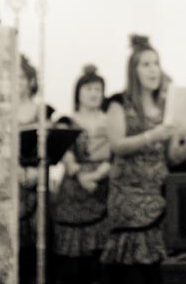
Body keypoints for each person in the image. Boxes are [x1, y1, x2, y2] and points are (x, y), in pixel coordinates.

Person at [100, 35, 186, 284]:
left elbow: (171, 158)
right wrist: (153, 134)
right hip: (127, 196)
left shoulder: (165, 107)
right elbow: (117, 145)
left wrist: (183, 144)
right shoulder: (119, 103)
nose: (153, 70)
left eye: (156, 63)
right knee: (132, 272)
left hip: (158, 196)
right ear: (134, 70)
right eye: (146, 64)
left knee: (156, 271)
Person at [54, 65, 111, 284]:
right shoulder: (66, 120)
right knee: (71, 265)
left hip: (103, 189)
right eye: (89, 88)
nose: (94, 93)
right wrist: (81, 176)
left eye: (98, 89)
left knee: (100, 263)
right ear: (78, 91)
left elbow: (114, 155)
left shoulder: (110, 121)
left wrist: (96, 176)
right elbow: (65, 154)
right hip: (72, 195)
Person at [16, 54, 55, 284]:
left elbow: (50, 149)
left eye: (23, 77)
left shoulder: (43, 111)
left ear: (31, 80)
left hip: (36, 183)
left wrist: (36, 172)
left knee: (36, 249)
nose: (18, 81)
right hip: (9, 183)